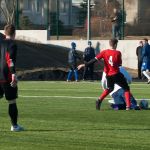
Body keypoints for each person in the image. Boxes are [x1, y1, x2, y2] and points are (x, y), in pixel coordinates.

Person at [78, 38, 132, 110]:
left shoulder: (104, 52)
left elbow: (94, 60)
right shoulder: (118, 53)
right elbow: (119, 65)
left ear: (110, 44)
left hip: (108, 75)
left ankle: (99, 100)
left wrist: (85, 64)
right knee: (126, 89)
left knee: (110, 88)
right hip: (116, 74)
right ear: (115, 44)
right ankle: (128, 107)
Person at [0, 24, 24, 131]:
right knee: (12, 101)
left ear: (5, 33)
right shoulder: (12, 44)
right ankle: (14, 126)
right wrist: (13, 74)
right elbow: (10, 60)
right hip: (7, 75)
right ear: (14, 33)